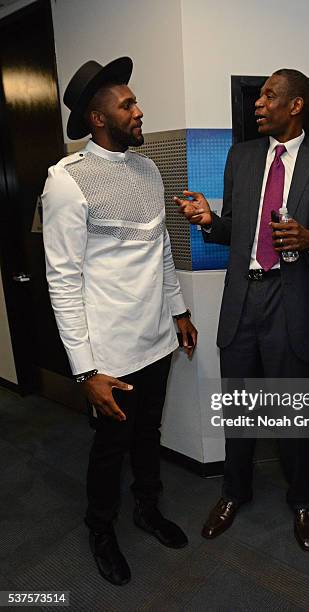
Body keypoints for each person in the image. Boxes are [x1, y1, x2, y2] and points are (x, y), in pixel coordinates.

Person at [175, 69, 309, 551]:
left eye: (270, 96)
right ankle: (234, 492)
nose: (259, 103)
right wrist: (211, 221)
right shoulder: (242, 155)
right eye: (259, 95)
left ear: (296, 105)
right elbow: (236, 227)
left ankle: (302, 500)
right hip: (243, 298)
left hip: (293, 300)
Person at [42, 57, 197, 586]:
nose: (139, 110)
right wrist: (85, 371)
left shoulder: (148, 169)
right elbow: (62, 281)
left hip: (156, 337)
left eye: (135, 101)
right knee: (111, 447)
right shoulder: (67, 183)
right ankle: (100, 527)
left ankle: (147, 509)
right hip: (109, 352)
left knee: (149, 433)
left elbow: (162, 248)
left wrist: (178, 311)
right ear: (97, 117)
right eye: (127, 104)